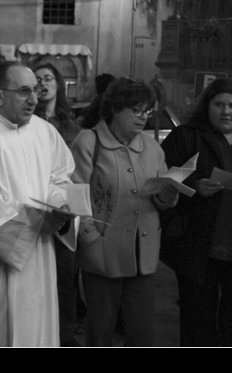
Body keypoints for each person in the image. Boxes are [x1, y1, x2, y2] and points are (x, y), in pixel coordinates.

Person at [0, 62, 75, 347]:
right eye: (23, 91)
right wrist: (37, 218)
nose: (34, 99)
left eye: (35, 90)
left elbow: (61, 178)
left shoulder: (46, 133)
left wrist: (59, 209)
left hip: (41, 256)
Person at [70, 77, 178, 347]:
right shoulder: (89, 142)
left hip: (144, 252)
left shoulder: (152, 147)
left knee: (142, 334)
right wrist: (90, 237)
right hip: (102, 252)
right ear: (115, 109)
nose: (143, 118)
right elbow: (73, 194)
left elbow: (162, 194)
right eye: (136, 110)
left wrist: (168, 197)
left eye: (147, 111)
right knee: (101, 332)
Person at [160, 78, 232, 347]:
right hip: (197, 246)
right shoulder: (187, 136)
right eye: (219, 104)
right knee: (196, 320)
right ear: (208, 106)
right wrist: (194, 185)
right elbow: (161, 176)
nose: (226, 111)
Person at [33, 62, 81, 347]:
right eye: (37, 79)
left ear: (58, 84)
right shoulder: (26, 120)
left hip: (65, 207)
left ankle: (65, 335)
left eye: (48, 78)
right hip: (38, 204)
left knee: (66, 278)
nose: (43, 83)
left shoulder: (70, 121)